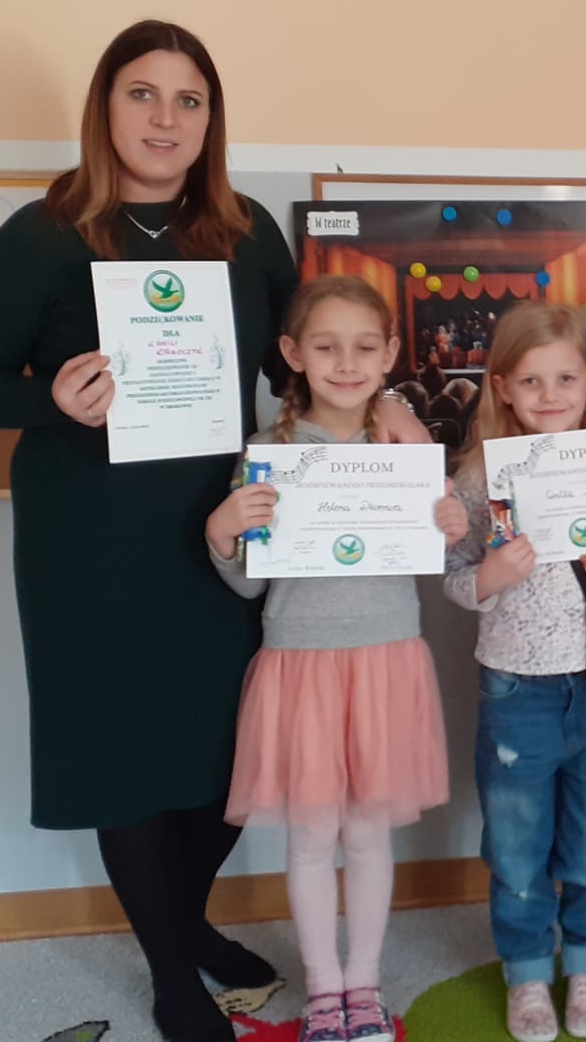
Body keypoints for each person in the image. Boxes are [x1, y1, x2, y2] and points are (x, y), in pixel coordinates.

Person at [0, 20, 419, 1042]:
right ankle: (169, 971)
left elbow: (307, 356)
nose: (165, 118)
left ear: (211, 120)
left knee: (227, 752)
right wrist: (49, 400)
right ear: (105, 108)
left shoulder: (243, 233)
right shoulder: (44, 236)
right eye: (142, 94)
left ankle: (183, 922)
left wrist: (387, 410)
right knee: (122, 757)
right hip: (88, 539)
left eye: (188, 100)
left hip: (227, 526)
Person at [205, 277, 466, 1042]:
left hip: (385, 663)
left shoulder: (405, 448)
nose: (346, 363)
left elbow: (428, 555)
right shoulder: (268, 454)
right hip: (302, 666)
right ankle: (325, 992)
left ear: (389, 354)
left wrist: (449, 521)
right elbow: (249, 581)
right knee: (313, 837)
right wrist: (222, 531)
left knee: (368, 835)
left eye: (363, 347)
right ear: (293, 353)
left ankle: (364, 986)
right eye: (326, 347)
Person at [442, 302, 586, 1042]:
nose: (550, 394)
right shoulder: (479, 479)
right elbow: (453, 578)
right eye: (531, 380)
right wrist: (491, 576)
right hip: (515, 690)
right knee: (516, 848)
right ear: (502, 387)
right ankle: (529, 973)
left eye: (566, 378)